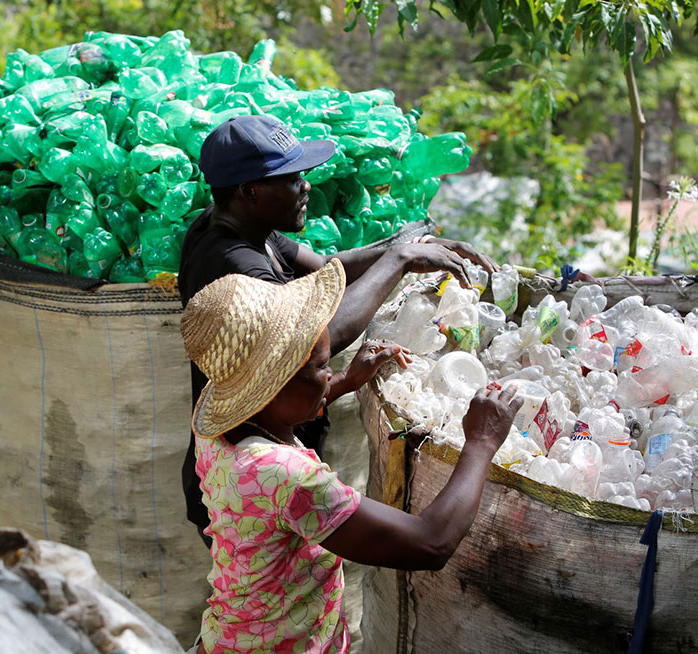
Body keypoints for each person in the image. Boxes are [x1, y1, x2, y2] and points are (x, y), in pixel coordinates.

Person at [178, 114, 499, 543]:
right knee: (271, 576)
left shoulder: (250, 228)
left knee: (271, 575)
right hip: (253, 461)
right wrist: (399, 261)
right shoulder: (236, 263)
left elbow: (329, 272)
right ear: (250, 192)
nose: (306, 186)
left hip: (262, 438)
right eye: (291, 179)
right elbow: (317, 334)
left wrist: (410, 247)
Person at [180, 260, 522, 653]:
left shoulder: (216, 426)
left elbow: (278, 411)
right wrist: (481, 441)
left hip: (231, 637)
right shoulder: (288, 477)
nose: (329, 375)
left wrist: (345, 382)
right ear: (272, 387)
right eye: (323, 367)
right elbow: (430, 542)